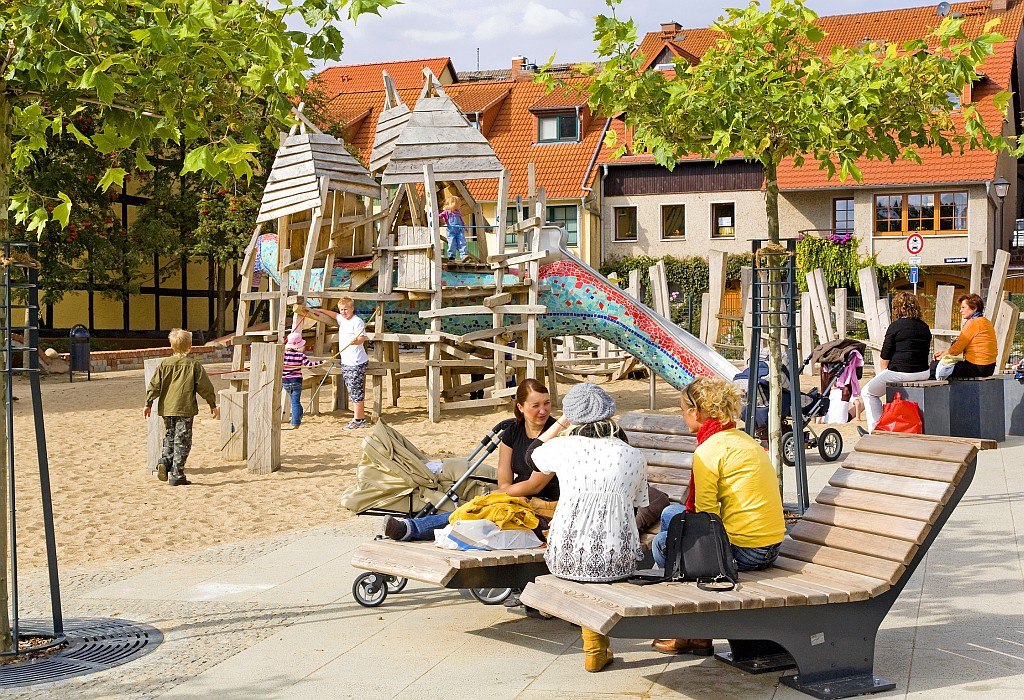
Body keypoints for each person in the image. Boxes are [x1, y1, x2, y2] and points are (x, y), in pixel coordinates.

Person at [650, 377, 785, 657]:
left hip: (747, 551)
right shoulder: (743, 439)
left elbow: (704, 517)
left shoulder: (708, 451)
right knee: (670, 514)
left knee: (662, 546)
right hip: (769, 544)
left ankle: (689, 629)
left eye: (683, 409)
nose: (682, 415)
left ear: (696, 413)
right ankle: (698, 636)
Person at [529, 383, 649, 673]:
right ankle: (595, 646)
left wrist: (562, 422)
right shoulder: (632, 455)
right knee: (603, 560)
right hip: (616, 559)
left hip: (564, 555)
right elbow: (638, 503)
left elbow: (531, 453)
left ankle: (594, 646)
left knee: (586, 568)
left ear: (573, 416)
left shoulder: (563, 447)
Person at [382, 378, 558, 542]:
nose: (543, 411)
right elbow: (504, 479)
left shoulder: (555, 434)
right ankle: (410, 528)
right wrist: (503, 495)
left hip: (546, 502)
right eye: (536, 405)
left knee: (482, 509)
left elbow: (535, 485)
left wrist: (500, 495)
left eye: (547, 403)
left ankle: (411, 528)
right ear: (520, 407)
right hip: (516, 495)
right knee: (479, 508)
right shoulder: (513, 431)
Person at [144, 328, 220, 486]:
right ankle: (177, 474)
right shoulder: (193, 365)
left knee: (170, 435)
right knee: (183, 440)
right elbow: (205, 387)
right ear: (190, 346)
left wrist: (148, 403)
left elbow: (154, 385)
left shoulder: (164, 364)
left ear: (171, 346)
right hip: (184, 408)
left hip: (167, 408)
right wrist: (212, 404)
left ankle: (164, 461)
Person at [862, 292, 932, 433]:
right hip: (924, 372)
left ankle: (875, 430)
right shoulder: (925, 327)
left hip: (902, 372)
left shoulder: (895, 326)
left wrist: (882, 375)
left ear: (897, 308)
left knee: (868, 392)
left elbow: (885, 356)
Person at [322, 297, 369, 429]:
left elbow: (362, 338)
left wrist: (357, 341)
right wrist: (321, 310)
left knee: (356, 390)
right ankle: (358, 418)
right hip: (347, 361)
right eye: (341, 309)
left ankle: (359, 419)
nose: (343, 312)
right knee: (351, 388)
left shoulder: (357, 321)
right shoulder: (342, 319)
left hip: (356, 361)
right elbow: (335, 315)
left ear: (352, 308)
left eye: (345, 310)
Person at [931, 293, 997, 379]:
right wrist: (945, 352)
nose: (960, 311)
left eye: (963, 307)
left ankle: (933, 391)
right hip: (990, 367)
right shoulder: (986, 322)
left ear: (974, 308)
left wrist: (942, 355)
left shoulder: (973, 323)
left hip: (977, 367)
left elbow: (957, 349)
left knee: (936, 364)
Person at [282, 330, 324, 429]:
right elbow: (310, 365)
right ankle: (295, 423)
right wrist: (322, 362)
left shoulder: (283, 355)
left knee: (295, 402)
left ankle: (298, 416)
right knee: (295, 402)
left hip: (285, 382)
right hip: (296, 381)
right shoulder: (301, 355)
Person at [439, 193, 468, 260]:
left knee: (462, 242)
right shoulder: (446, 212)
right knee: (452, 243)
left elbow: (461, 220)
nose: (459, 206)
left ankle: (463, 255)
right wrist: (435, 218)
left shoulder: (458, 212)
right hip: (451, 231)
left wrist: (464, 227)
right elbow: (439, 216)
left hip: (459, 231)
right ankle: (451, 256)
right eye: (458, 205)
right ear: (452, 204)